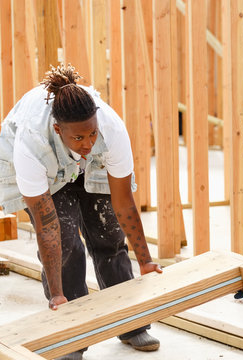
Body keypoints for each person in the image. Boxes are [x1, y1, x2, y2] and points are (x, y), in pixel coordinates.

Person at [0, 64, 163, 360]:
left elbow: (124, 202)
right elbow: (47, 229)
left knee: (109, 236)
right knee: (65, 243)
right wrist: (57, 292)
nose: (88, 143)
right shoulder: (31, 145)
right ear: (58, 129)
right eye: (79, 138)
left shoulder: (111, 130)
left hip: (90, 168)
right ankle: (70, 335)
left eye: (92, 134)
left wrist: (146, 261)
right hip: (47, 169)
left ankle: (131, 324)